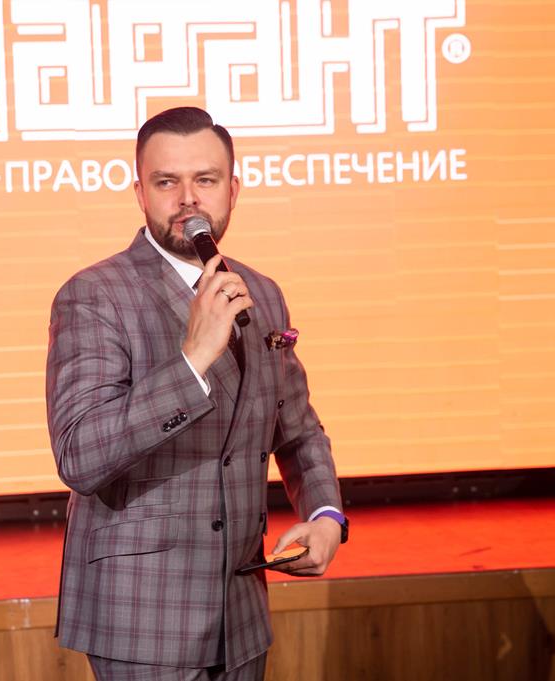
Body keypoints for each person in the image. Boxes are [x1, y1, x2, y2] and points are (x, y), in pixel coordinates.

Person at [45, 106, 347, 681]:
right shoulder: (94, 295)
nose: (189, 199)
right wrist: (191, 361)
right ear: (140, 193)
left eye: (205, 180)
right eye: (167, 182)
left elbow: (299, 429)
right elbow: (80, 455)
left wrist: (325, 514)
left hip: (241, 609)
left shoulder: (262, 292)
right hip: (143, 613)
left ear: (233, 189)